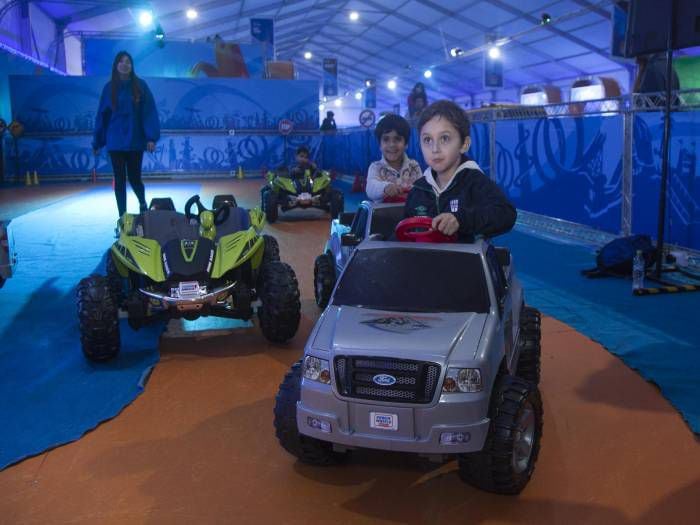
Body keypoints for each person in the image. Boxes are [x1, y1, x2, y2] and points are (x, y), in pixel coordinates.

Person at [404, 100, 516, 241]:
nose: (435, 149)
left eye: (444, 138)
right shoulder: (418, 190)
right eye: (427, 140)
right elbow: (404, 234)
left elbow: (506, 214)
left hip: (466, 261)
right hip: (424, 261)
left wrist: (461, 220)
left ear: (464, 144)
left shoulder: (475, 183)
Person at [93, 51, 160, 218]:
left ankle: (143, 204)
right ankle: (122, 216)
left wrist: (151, 137)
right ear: (116, 66)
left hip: (135, 141)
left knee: (135, 178)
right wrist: (97, 141)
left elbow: (149, 112)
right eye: (121, 62)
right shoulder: (109, 88)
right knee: (120, 180)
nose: (125, 64)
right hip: (115, 142)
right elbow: (102, 115)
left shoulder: (141, 86)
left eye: (128, 62)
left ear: (132, 66)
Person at [365, 114, 421, 203]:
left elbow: (421, 190)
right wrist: (385, 187)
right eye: (386, 139)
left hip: (411, 215)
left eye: (397, 139)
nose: (391, 145)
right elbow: (370, 189)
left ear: (406, 144)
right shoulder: (376, 167)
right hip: (383, 215)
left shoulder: (414, 166)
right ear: (380, 145)